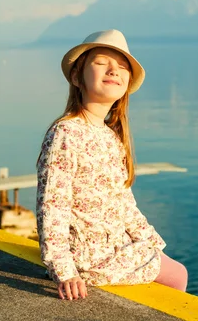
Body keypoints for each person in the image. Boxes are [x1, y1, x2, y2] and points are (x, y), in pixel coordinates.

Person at [36, 29, 188, 301]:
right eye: (101, 63)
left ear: (126, 84)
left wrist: (154, 243)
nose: (113, 70)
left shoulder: (110, 136)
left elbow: (124, 205)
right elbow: (52, 205)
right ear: (76, 77)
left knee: (165, 262)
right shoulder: (66, 133)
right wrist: (64, 270)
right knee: (178, 275)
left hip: (110, 247)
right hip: (88, 259)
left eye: (121, 67)